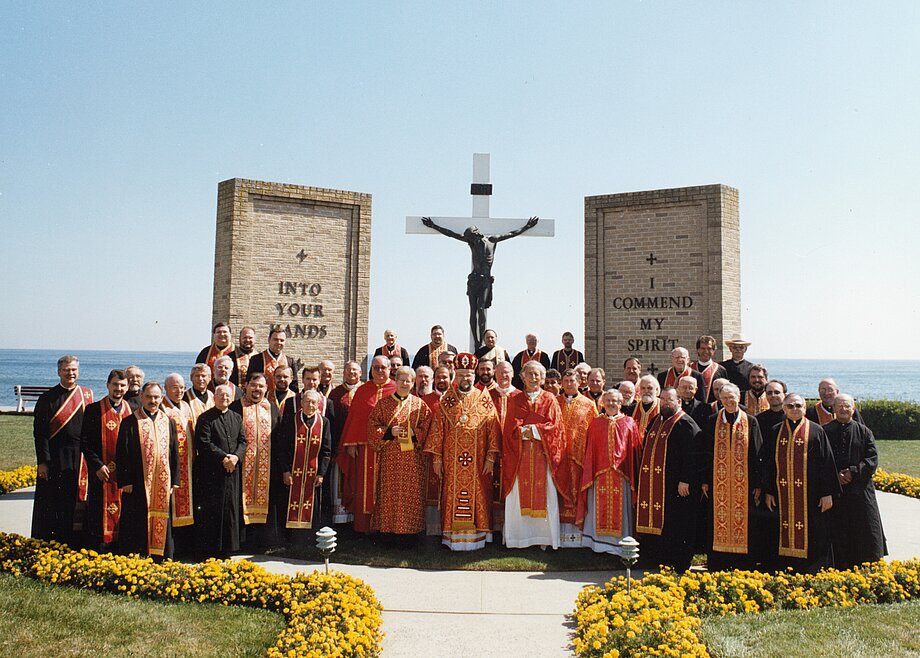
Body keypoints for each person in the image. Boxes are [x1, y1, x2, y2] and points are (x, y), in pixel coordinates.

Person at [420, 215, 539, 346]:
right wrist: (434, 226)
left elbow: (511, 234)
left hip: (485, 280)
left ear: (477, 234)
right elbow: (451, 234)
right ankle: (476, 341)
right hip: (473, 280)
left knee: (481, 308)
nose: (471, 240)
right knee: (473, 310)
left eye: (472, 237)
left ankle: (481, 341)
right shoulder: (471, 242)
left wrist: (527, 227)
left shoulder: (492, 240)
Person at [424, 353, 501, 550]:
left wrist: (491, 458)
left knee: (479, 495)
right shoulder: (447, 400)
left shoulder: (484, 399)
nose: (464, 379)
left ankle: (479, 539)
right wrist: (437, 459)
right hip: (452, 461)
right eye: (460, 375)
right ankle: (453, 540)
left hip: (478, 460)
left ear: (474, 375)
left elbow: (493, 429)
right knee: (452, 495)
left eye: (468, 375)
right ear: (454, 376)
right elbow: (437, 431)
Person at [762, 393, 840, 573]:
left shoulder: (816, 430)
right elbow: (768, 464)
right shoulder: (775, 431)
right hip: (782, 494)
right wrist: (769, 491)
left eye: (798, 405)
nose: (795, 409)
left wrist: (827, 493)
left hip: (810, 494)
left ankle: (811, 569)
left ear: (805, 408)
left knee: (812, 531)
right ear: (784, 408)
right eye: (790, 406)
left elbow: (827, 463)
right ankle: (783, 568)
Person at [502, 361, 569, 549]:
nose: (533, 378)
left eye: (536, 375)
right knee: (518, 495)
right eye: (529, 374)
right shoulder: (515, 399)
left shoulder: (549, 399)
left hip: (543, 455)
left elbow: (556, 428)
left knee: (546, 495)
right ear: (522, 377)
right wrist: (522, 432)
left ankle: (545, 539)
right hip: (520, 457)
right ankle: (519, 539)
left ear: (542, 378)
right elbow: (509, 429)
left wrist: (535, 430)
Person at [634, 388, 699, 572]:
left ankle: (677, 562)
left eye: (668, 400)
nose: (664, 403)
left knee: (676, 523)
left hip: (675, 485)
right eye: (662, 399)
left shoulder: (686, 423)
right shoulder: (658, 420)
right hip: (656, 483)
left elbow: (692, 455)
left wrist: (685, 479)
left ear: (679, 401)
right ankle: (654, 558)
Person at [32, 355, 94, 546]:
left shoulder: (87, 395)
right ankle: (50, 542)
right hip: (55, 457)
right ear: (59, 372)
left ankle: (75, 542)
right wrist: (43, 462)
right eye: (66, 370)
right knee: (53, 502)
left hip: (80, 457)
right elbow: (40, 433)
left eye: (74, 369)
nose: (71, 373)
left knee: (76, 501)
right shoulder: (47, 399)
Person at [702, 383, 764, 571]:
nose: (729, 401)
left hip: (744, 485)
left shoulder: (751, 421)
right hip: (717, 482)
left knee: (745, 523)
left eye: (732, 397)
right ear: (720, 399)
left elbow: (758, 452)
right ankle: (718, 564)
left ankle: (743, 565)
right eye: (725, 397)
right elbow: (705, 452)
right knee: (717, 521)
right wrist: (704, 480)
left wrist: (758, 483)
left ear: (739, 398)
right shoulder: (712, 420)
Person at [115, 382, 179, 559]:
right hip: (136, 482)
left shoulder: (168, 421)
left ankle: (161, 555)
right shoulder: (130, 421)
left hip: (163, 481)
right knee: (137, 518)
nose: (153, 400)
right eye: (149, 397)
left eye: (157, 397)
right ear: (141, 397)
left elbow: (174, 452)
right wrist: (125, 480)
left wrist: (174, 480)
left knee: (162, 517)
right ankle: (138, 555)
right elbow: (122, 453)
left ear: (161, 398)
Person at [369, 366, 433, 544]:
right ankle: (388, 537)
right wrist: (389, 431)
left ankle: (410, 537)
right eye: (402, 380)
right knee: (389, 496)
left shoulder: (420, 405)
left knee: (410, 498)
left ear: (413, 383)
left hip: (412, 460)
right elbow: (372, 427)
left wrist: (412, 433)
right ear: (395, 381)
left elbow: (427, 428)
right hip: (390, 459)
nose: (405, 384)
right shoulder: (383, 404)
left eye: (409, 381)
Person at [825, 394, 887, 569]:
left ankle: (868, 566)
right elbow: (821, 459)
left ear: (853, 409)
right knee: (839, 530)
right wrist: (835, 475)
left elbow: (872, 459)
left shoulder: (864, 431)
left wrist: (852, 473)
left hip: (860, 490)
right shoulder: (825, 431)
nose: (843, 409)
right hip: (836, 491)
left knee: (866, 529)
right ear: (834, 408)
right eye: (840, 406)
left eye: (847, 406)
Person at [577, 389, 641, 555]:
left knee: (622, 510)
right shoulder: (596, 423)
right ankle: (597, 544)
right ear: (603, 403)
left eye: (615, 401)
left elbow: (634, 450)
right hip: (599, 474)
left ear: (621, 404)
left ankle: (621, 544)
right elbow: (591, 450)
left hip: (622, 474)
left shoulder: (629, 422)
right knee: (597, 507)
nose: (611, 404)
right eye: (608, 401)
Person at [338, 355, 397, 533]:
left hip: (390, 448)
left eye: (383, 368)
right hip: (365, 450)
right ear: (370, 369)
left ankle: (385, 527)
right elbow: (355, 418)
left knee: (387, 488)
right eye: (376, 367)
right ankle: (364, 528)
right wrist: (351, 443)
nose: (379, 371)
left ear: (389, 369)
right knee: (365, 488)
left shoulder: (396, 388)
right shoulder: (363, 390)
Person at [193, 384, 246, 559]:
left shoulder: (237, 417)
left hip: (232, 472)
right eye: (221, 395)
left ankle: (227, 549)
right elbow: (204, 443)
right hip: (212, 472)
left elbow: (243, 441)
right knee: (213, 511)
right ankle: (210, 550)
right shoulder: (205, 418)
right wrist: (225, 458)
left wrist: (236, 457)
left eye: (227, 395)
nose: (224, 398)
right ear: (214, 397)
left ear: (232, 398)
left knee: (229, 510)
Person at [80, 369, 131, 551]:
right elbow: (85, 442)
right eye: (115, 384)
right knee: (98, 507)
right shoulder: (94, 410)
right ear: (108, 385)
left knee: (125, 509)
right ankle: (99, 546)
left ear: (127, 387)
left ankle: (120, 545)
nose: (118, 389)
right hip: (101, 471)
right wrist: (97, 465)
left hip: (123, 474)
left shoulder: (132, 410)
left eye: (122, 385)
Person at [232, 372, 283, 549]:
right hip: (241, 466)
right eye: (253, 385)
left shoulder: (272, 408)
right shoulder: (236, 407)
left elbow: (278, 438)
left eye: (261, 386)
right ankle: (242, 542)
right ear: (245, 386)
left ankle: (264, 542)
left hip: (267, 466)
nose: (257, 389)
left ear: (267, 388)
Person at [281, 389, 332, 540]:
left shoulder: (324, 422)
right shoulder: (290, 420)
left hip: (313, 474)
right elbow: (281, 447)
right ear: (301, 403)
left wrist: (321, 474)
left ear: (318, 405)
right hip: (292, 472)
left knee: (312, 505)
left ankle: (309, 540)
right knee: (290, 503)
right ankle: (291, 539)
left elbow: (327, 451)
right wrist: (285, 471)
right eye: (307, 401)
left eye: (313, 402)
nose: (310, 405)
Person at [556, 369, 599, 547]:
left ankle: (578, 535)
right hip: (557, 458)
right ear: (561, 383)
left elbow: (594, 430)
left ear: (579, 382)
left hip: (579, 458)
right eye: (565, 380)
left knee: (577, 493)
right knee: (559, 493)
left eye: (572, 380)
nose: (568, 384)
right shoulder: (554, 402)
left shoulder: (588, 404)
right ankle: (558, 534)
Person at [161, 373, 195, 551]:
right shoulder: (162, 409)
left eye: (182, 387)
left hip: (189, 465)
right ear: (166, 389)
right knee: (172, 507)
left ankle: (186, 547)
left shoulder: (187, 406)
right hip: (173, 466)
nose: (179, 391)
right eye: (174, 387)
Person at [327, 360, 362, 524]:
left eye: (354, 370)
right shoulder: (335, 394)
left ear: (360, 373)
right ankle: (342, 520)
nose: (351, 373)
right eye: (348, 370)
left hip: (361, 447)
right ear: (343, 373)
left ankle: (357, 517)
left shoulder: (365, 391)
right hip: (340, 445)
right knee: (340, 481)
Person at [420, 364, 452, 535]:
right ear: (433, 379)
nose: (441, 380)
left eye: (445, 377)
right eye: (438, 377)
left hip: (451, 454)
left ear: (450, 378)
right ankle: (432, 530)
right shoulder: (425, 400)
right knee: (430, 492)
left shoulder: (456, 399)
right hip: (430, 456)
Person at [247, 327, 298, 394]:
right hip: (263, 400)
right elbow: (250, 383)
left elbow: (294, 386)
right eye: (275, 339)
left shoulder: (290, 361)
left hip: (285, 401)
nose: (278, 342)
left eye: (282, 340)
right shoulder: (256, 359)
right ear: (269, 340)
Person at [691, 335, 728, 403]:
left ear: (714, 351)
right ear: (698, 350)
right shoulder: (690, 368)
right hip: (693, 409)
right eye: (703, 348)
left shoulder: (720, 370)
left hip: (714, 409)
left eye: (709, 348)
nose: (706, 351)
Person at [184, 363, 214, 431]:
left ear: (209, 378)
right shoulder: (185, 397)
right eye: (197, 376)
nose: (200, 379)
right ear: (191, 378)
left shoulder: (213, 396)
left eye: (203, 376)